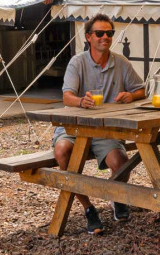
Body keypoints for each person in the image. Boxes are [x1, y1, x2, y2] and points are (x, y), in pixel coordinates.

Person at [54, 13, 146, 235]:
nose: (105, 37)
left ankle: (115, 197)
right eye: (99, 33)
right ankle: (88, 208)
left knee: (122, 161)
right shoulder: (77, 62)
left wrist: (131, 96)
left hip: (105, 130)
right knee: (62, 150)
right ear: (88, 37)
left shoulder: (121, 62)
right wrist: (81, 102)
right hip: (75, 126)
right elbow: (67, 97)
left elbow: (141, 90)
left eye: (109, 33)